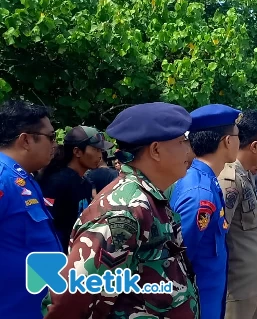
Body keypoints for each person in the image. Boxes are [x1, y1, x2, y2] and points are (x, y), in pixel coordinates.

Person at [42, 102, 199, 318]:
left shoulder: (148, 199)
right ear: (155, 150)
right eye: (183, 141)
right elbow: (69, 300)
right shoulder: (123, 210)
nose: (190, 150)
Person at [170, 104, 242, 319]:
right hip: (197, 302)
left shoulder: (206, 181)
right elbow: (180, 257)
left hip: (208, 298)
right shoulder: (200, 193)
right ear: (227, 141)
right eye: (238, 136)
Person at [0, 100, 62, 319]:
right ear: (26, 140)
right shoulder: (3, 179)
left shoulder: (24, 179)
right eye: (51, 137)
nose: (55, 144)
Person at [217, 109, 257, 319]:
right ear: (254, 146)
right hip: (237, 289)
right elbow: (219, 234)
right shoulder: (230, 178)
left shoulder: (246, 176)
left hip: (251, 287)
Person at [37, 125, 114, 253]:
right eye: (95, 149)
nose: (100, 155)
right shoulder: (57, 182)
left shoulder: (85, 182)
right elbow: (47, 227)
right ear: (77, 151)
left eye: (101, 151)